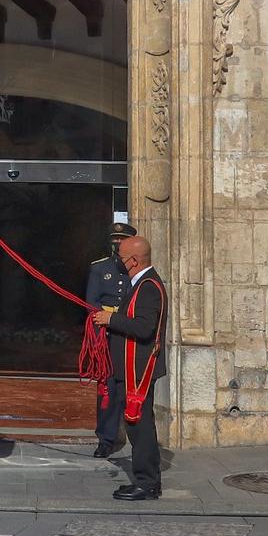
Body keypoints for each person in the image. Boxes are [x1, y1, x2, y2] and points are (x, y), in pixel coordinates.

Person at [97, 234, 165, 502]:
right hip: (132, 367)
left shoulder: (148, 287)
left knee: (140, 426)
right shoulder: (141, 284)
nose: (119, 262)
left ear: (134, 261)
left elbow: (145, 327)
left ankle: (146, 483)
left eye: (121, 257)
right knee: (139, 424)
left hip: (138, 369)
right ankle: (148, 480)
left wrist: (111, 318)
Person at [85, 213, 134, 457]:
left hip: (130, 334)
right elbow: (91, 304)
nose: (117, 243)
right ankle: (106, 438)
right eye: (114, 239)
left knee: (132, 388)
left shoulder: (137, 270)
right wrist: (96, 338)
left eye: (122, 239)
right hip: (107, 336)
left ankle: (136, 435)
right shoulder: (99, 268)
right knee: (108, 390)